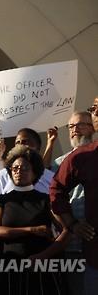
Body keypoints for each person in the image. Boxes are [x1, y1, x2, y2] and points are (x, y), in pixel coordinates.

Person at [0, 145, 68, 295]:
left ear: (35, 172)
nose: (19, 171)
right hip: (10, 268)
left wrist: (43, 256)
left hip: (41, 269)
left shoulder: (46, 200)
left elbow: (66, 231)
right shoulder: (2, 200)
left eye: (24, 168)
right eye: (15, 168)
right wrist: (32, 230)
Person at [0, 127, 55, 248]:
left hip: (41, 255)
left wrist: (53, 248)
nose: (20, 145)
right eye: (17, 142)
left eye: (25, 142)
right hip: (6, 253)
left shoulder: (51, 179)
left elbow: (61, 223)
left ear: (37, 147)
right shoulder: (0, 178)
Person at [50, 101, 98, 295]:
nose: (95, 112)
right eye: (93, 108)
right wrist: (72, 224)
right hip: (93, 257)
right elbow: (56, 190)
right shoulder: (81, 157)